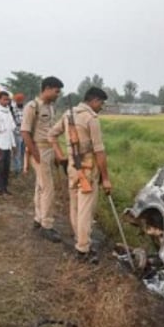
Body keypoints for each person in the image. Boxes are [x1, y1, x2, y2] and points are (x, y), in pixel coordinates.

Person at [48, 87, 112, 263]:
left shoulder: (69, 115)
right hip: (88, 167)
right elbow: (99, 151)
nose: (101, 107)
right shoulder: (91, 118)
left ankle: (80, 239)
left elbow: (51, 135)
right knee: (85, 210)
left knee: (75, 206)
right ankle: (83, 248)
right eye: (101, 103)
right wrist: (105, 178)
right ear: (94, 100)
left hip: (72, 167)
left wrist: (60, 155)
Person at [21, 76, 64, 242]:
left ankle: (38, 219)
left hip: (49, 150)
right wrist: (35, 154)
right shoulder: (32, 107)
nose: (57, 94)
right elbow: (25, 132)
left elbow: (51, 132)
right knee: (48, 189)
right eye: (56, 91)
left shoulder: (51, 107)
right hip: (39, 149)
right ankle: (47, 225)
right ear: (47, 89)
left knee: (40, 187)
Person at [0, 91, 16, 196]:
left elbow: (11, 130)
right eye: (4, 99)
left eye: (8, 99)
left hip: (8, 145)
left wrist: (13, 145)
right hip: (0, 145)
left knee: (6, 168)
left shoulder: (8, 111)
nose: (7, 101)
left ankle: (5, 187)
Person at [10, 93, 26, 174]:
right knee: (17, 152)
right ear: (16, 101)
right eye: (18, 100)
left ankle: (23, 168)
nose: (20, 102)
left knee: (24, 152)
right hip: (16, 133)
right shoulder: (12, 109)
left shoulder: (25, 108)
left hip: (25, 133)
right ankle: (17, 170)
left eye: (21, 100)